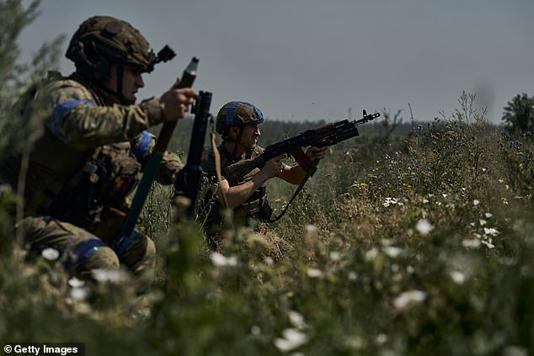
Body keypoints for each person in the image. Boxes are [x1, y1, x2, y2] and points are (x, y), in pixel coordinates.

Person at [0, 16, 195, 279]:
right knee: (100, 260)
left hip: (68, 222)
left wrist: (176, 172)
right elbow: (81, 126)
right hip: (20, 222)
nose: (140, 83)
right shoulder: (63, 94)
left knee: (141, 249)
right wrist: (156, 110)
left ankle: (122, 316)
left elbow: (148, 148)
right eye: (133, 72)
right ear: (102, 65)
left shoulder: (114, 114)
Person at [201, 101, 326, 249]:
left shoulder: (256, 153)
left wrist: (309, 160)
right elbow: (228, 199)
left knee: (296, 259)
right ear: (235, 131)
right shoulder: (213, 159)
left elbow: (293, 176)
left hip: (256, 233)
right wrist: (264, 174)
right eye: (253, 127)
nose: (258, 132)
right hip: (224, 239)